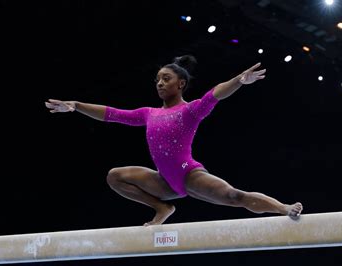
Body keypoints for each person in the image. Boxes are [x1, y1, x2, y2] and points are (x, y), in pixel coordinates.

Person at [45, 55, 303, 226]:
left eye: (165, 79)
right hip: (163, 182)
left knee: (235, 196)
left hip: (189, 174)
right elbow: (112, 114)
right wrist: (76, 105)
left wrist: (238, 81)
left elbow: (214, 95)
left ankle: (283, 208)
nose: (159, 83)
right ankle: (162, 209)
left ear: (181, 84)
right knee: (115, 176)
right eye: (157, 79)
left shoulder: (190, 111)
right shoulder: (149, 114)